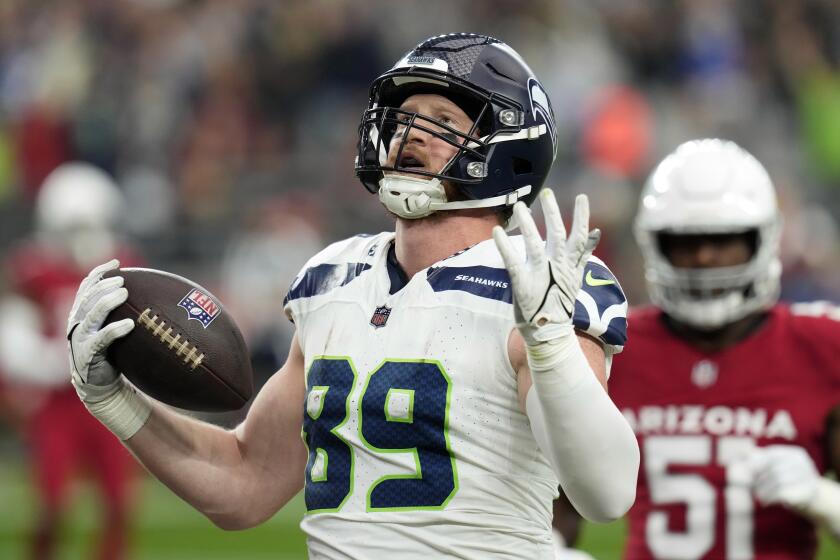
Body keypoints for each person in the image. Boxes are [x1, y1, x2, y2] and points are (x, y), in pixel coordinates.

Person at [66, 33, 640, 558]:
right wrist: (114, 400)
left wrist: (550, 346)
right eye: (405, 116)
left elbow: (605, 491)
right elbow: (245, 481)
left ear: (508, 148)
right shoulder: (334, 277)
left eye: (443, 119)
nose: (411, 133)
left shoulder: (537, 282)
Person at [553, 139, 840, 559]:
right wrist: (551, 548)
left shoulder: (821, 347)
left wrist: (824, 499)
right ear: (654, 244)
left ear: (764, 240)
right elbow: (556, 502)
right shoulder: (611, 343)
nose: (704, 258)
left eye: (724, 241)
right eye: (684, 242)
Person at [0, 162, 142, 560]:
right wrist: (51, 364)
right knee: (52, 504)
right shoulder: (33, 269)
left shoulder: (122, 264)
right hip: (60, 402)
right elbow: (14, 338)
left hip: (112, 399)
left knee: (118, 503)